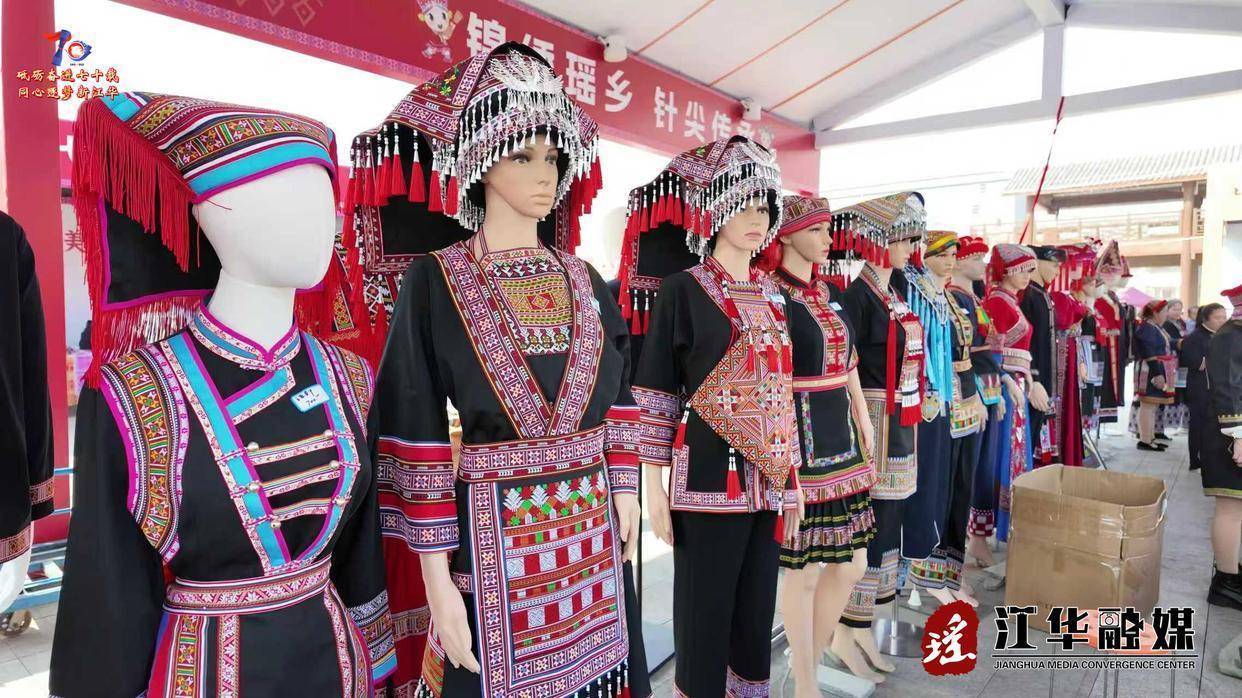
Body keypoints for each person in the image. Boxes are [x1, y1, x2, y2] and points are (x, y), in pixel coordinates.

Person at [50, 92, 396, 696]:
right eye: (284, 200)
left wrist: (381, 661)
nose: (320, 223)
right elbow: (108, 586)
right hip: (207, 669)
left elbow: (362, 551)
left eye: (325, 199)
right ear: (212, 214)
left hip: (335, 662)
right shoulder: (133, 391)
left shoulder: (350, 375)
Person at [362, 44, 646, 697]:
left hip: (597, 534)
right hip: (491, 544)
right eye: (523, 156)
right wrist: (436, 581)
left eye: (553, 157)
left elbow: (619, 392)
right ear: (481, 161)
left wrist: (627, 487)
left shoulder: (585, 280)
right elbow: (414, 426)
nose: (545, 174)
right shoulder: (437, 280)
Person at [631, 136, 801, 697]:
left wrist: (792, 482)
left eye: (764, 209)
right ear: (717, 209)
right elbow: (657, 390)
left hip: (768, 481)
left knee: (755, 610)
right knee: (703, 612)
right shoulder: (683, 290)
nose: (756, 219)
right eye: (743, 206)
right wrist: (652, 486)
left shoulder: (774, 296)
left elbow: (781, 393)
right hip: (707, 474)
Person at [756, 195, 876, 698]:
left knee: (853, 563)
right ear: (787, 235)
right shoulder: (768, 294)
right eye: (817, 230)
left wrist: (864, 419)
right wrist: (780, 453)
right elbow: (767, 377)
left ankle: (809, 652)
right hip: (800, 439)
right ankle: (806, 683)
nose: (828, 239)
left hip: (842, 436)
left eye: (828, 230)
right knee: (802, 572)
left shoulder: (831, 292)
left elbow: (849, 362)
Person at [833, 192, 927, 680]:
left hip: (900, 421)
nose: (911, 248)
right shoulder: (855, 298)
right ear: (877, 240)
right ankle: (846, 628)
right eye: (904, 238)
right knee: (867, 524)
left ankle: (865, 625)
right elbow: (845, 367)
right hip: (872, 421)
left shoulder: (895, 294)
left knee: (889, 522)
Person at [908, 231, 985, 606]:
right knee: (936, 486)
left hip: (963, 401)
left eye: (954, 254)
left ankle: (951, 573)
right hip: (936, 403)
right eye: (943, 254)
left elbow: (966, 354)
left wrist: (977, 395)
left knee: (959, 487)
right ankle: (928, 575)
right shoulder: (919, 297)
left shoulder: (951, 298)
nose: (951, 260)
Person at [952, 237, 1005, 568]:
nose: (982, 264)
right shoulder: (956, 298)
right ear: (958, 261)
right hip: (973, 391)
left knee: (985, 464)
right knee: (973, 467)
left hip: (989, 387)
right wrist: (975, 397)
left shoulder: (974, 298)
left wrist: (1002, 384)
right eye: (975, 258)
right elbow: (963, 354)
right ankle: (972, 539)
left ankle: (978, 537)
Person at [983, 244, 1038, 541]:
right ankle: (998, 522)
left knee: (1014, 450)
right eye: (1022, 270)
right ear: (1007, 271)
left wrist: (1027, 376)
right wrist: (1006, 380)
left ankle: (1009, 523)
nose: (1027, 276)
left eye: (1030, 270)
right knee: (1005, 451)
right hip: (1006, 386)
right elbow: (992, 352)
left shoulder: (1011, 302)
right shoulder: (997, 302)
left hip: (1017, 383)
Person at [1205, 285, 1242, 610]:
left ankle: (1232, 572)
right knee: (1231, 506)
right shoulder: (1231, 335)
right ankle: (1225, 581)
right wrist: (1238, 436)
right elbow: (1227, 388)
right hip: (1229, 433)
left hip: (1235, 431)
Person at [1021, 246, 1063, 465]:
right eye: (1054, 265)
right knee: (1026, 436)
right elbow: (1026, 343)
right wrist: (1034, 379)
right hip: (1031, 379)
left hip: (1043, 377)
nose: (1057, 271)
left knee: (1034, 432)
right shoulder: (1028, 295)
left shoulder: (1041, 295)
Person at [1184, 303, 1227, 471]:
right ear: (1205, 319)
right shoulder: (1195, 337)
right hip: (1200, 389)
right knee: (1198, 425)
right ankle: (1195, 459)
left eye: (1224, 317)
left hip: (1217, 388)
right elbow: (1193, 362)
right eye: (1218, 318)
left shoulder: (1221, 335)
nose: (1222, 321)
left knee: (1213, 426)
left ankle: (1210, 458)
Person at [1132, 300, 1177, 451]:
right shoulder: (1146, 328)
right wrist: (1157, 374)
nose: (1166, 314)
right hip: (1151, 370)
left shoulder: (1154, 327)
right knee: (1148, 405)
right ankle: (1145, 440)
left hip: (1156, 367)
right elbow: (1148, 352)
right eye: (1164, 311)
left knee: (1152, 406)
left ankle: (1150, 438)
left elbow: (1168, 344)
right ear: (1155, 313)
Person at [1162, 299, 1189, 436]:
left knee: (1182, 391)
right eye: (1175, 309)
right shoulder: (1166, 324)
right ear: (1168, 310)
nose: (1178, 312)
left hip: (1183, 360)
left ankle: (1182, 423)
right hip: (1171, 362)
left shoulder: (1181, 323)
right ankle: (1170, 424)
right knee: (1173, 392)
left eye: (1180, 309)